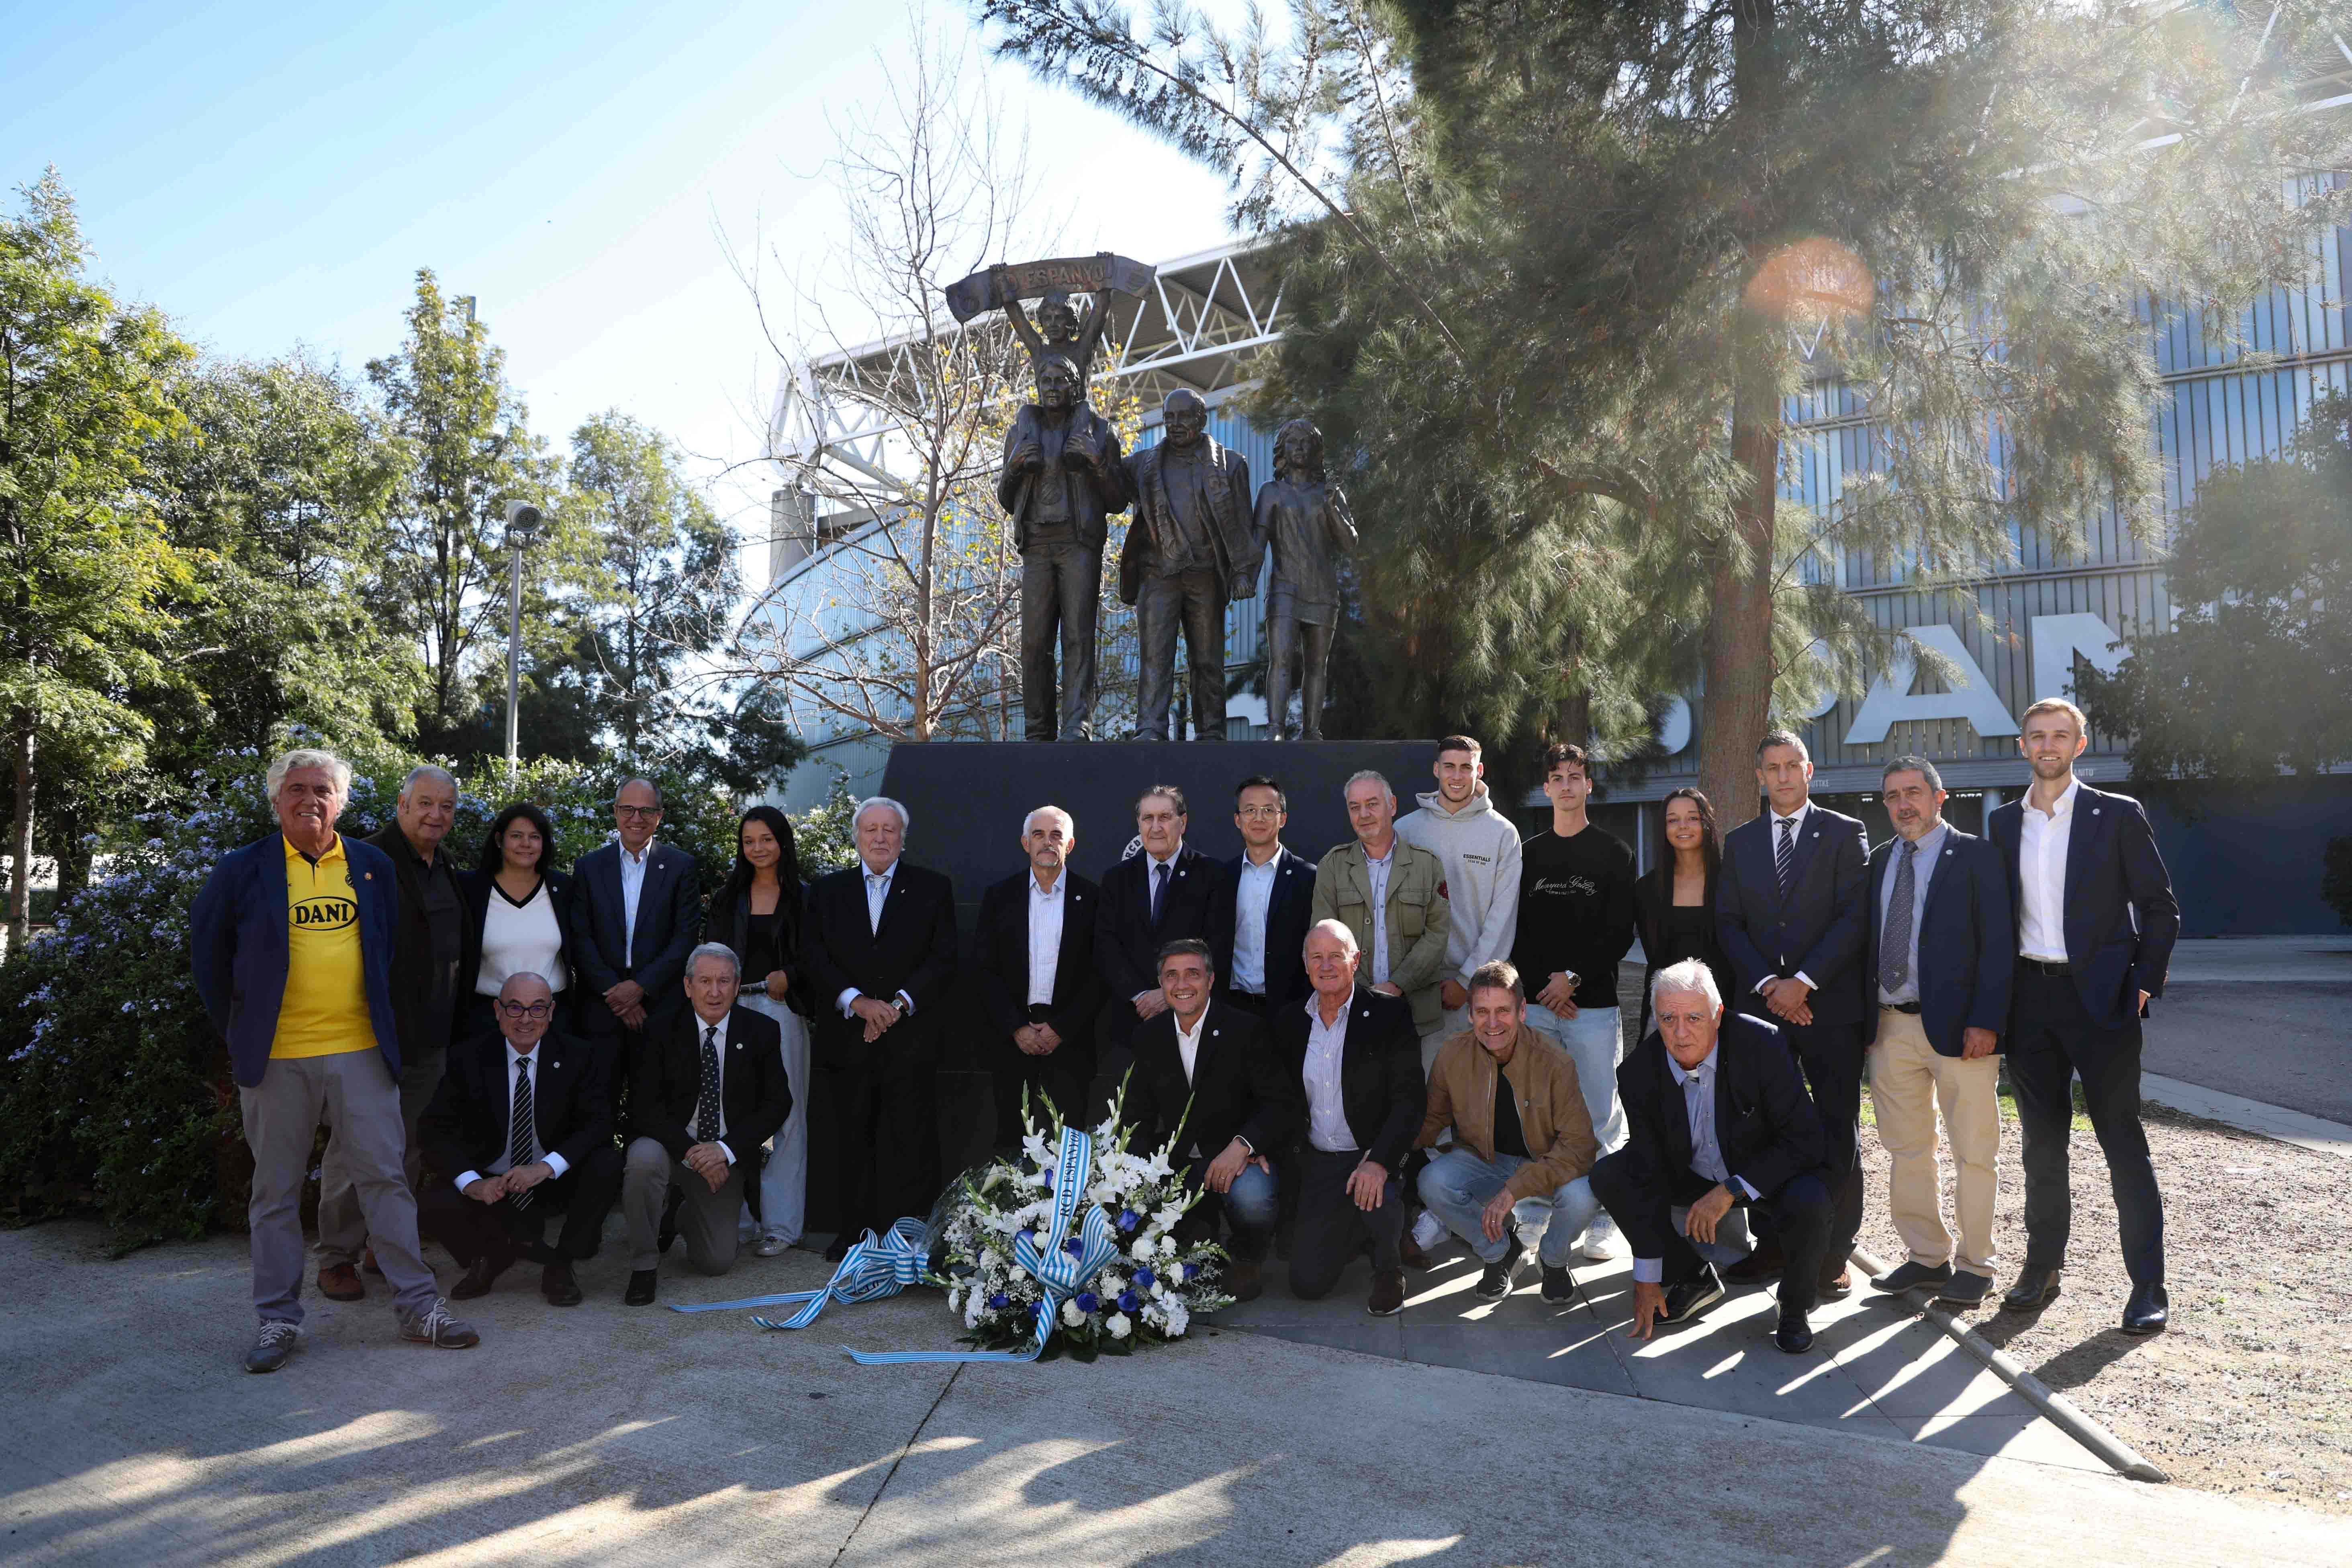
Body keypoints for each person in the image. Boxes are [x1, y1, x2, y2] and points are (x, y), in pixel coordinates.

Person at [190, 747, 481, 1373]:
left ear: (341, 801)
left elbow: (390, 958)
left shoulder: (371, 866)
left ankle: (417, 1306)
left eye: (323, 789)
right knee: (274, 1193)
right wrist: (245, 1033)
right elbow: (210, 963)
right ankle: (276, 1318)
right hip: (278, 1060)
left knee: (385, 1179)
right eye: (296, 788)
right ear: (276, 799)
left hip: (360, 1054)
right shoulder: (242, 870)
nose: (309, 799)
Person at [1987, 699, 2181, 1333]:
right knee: (2040, 1148)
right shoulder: (1998, 824)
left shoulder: (2116, 815)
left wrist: (2143, 983)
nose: (2047, 745)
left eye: (2059, 735)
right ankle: (2041, 1268)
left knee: (2121, 1142)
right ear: (2022, 745)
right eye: (2036, 735)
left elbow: (2159, 907)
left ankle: (2147, 1286)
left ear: (2079, 742)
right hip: (2029, 1003)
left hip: (2101, 1001)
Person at [1589, 960, 1834, 1354]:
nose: (1680, 1033)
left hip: (1756, 1169)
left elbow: (1804, 1139)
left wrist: (1730, 1190)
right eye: (1668, 1019)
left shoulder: (1763, 1044)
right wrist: (1647, 1277)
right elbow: (1648, 1168)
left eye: (1693, 1018)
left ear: (1718, 1016)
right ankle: (1690, 1273)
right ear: (1655, 1017)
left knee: (1811, 1198)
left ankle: (1793, 1308)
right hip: (1689, 1169)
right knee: (1611, 1174)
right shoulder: (1637, 1073)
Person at [1713, 729, 1872, 1300]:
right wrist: (1768, 985)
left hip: (1827, 1008)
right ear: (1759, 775)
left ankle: (1832, 1251)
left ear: (1808, 771)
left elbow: (1853, 918)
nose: (1781, 775)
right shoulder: (1741, 841)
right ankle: (1773, 1242)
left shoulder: (1844, 832)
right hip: (1760, 1009)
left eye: (1791, 765)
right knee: (1759, 1126)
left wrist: (1801, 984)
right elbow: (1728, 922)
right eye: (1771, 767)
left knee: (1836, 1128)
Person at [1862, 756, 2015, 1309]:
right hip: (1889, 1027)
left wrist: (1988, 1021)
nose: (1902, 803)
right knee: (1906, 1148)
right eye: (1891, 795)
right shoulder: (1878, 861)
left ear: (1938, 796)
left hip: (1961, 1029)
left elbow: (1997, 943)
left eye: (1912, 792)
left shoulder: (1975, 855)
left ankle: (1977, 1264)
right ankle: (1926, 1257)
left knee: (1974, 1151)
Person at [315, 765, 469, 1303]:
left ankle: (385, 1246)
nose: (435, 814)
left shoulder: (446, 866)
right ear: (401, 804)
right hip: (371, 1035)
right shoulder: (364, 860)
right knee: (349, 1148)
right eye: (425, 803)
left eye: (446, 806)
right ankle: (335, 1256)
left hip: (430, 1037)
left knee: (405, 1145)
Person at [801, 797, 959, 1261]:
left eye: (889, 830)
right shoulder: (827, 892)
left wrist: (895, 1007)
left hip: (909, 1038)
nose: (880, 838)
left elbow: (943, 958)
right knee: (851, 1137)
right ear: (856, 836)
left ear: (902, 837)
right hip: (847, 1037)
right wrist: (859, 1003)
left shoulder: (932, 888)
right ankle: (852, 1235)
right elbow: (814, 957)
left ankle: (910, 1238)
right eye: (870, 829)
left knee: (912, 1140)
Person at [416, 972, 622, 1306]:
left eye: (537, 1008)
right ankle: (491, 1254)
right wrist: (473, 1183)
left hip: (550, 1180)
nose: (526, 1019)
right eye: (515, 1008)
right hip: (492, 1185)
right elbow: (432, 1128)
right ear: (497, 1010)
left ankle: (561, 1261)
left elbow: (599, 1123)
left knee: (608, 1163)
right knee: (432, 1200)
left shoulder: (579, 1055)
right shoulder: (468, 1057)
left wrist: (544, 1167)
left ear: (552, 1012)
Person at [1507, 742, 1636, 1264]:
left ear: (1587, 785)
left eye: (1574, 775)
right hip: (1539, 1004)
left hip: (1594, 1007)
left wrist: (1573, 979)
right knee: (1538, 1111)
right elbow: (1518, 932)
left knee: (1601, 1113)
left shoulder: (1613, 852)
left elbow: (1618, 930)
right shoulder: (1528, 854)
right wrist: (1546, 985)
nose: (1565, 784)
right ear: (1545, 788)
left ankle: (1604, 1215)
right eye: (1556, 776)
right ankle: (1538, 1206)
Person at [1414, 961, 1603, 1305]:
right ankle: (1501, 1251)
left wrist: (1514, 1191)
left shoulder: (1555, 1062)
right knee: (1432, 1180)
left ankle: (1554, 1258)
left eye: (1503, 1010)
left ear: (1522, 1012)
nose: (1492, 1023)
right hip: (1485, 1160)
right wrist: (1382, 1155)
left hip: (1545, 1166)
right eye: (1482, 1011)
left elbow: (1579, 1148)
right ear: (1469, 1015)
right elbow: (1431, 1120)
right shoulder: (1452, 1053)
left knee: (1584, 1194)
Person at [1122, 939, 1298, 1302]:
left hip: (1238, 1158)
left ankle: (1248, 1254)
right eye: (1171, 975)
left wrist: (1245, 1144)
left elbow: (1282, 1104)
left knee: (1253, 1198)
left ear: (1211, 980)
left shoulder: (1245, 1029)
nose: (1182, 984)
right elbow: (1136, 1117)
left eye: (1192, 974)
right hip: (1180, 1159)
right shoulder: (1147, 1037)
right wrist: (1136, 1178)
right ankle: (1199, 1237)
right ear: (1161, 983)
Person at [620, 945, 794, 1304]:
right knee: (641, 1161)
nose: (714, 991)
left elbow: (778, 1104)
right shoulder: (659, 1028)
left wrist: (725, 1151)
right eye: (705, 981)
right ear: (687, 986)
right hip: (670, 1146)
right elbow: (643, 1106)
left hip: (723, 1155)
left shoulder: (762, 1030)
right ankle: (644, 1265)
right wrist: (692, 1152)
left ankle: (679, 1215)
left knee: (716, 1262)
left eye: (723, 981)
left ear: (737, 985)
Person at [1270, 921, 1424, 1315]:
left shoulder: (1389, 1014)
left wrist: (1379, 1161)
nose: (1325, 965)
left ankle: (1387, 1267)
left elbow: (1409, 1101)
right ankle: (1355, 1229)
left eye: (1335, 956)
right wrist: (1258, 1146)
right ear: (1305, 965)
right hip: (1318, 1162)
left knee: (1380, 1190)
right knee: (1306, 1284)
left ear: (1355, 960)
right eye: (1316, 957)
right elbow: (1276, 1099)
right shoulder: (1288, 1022)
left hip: (1368, 1155)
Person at [701, 805, 815, 1257]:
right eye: (749, 841)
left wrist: (790, 975)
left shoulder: (805, 897)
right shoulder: (728, 898)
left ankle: (781, 1227)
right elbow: (710, 954)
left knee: (788, 1117)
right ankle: (738, 1220)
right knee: (732, 1113)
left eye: (766, 839)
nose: (758, 848)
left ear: (782, 842)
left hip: (782, 1009)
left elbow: (817, 956)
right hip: (730, 1010)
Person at [997, 351, 1127, 741]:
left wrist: (1098, 463)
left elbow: (1119, 500)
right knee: (1034, 644)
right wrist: (1013, 466)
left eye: (1060, 381)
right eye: (1045, 381)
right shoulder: (1019, 433)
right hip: (1036, 546)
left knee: (1077, 638)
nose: (1052, 388)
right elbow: (1005, 499)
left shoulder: (1100, 431)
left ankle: (1076, 727)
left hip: (1078, 545)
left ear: (1076, 387)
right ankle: (1038, 731)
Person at [1116, 387, 1259, 741]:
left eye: (1183, 417)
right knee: (1155, 658)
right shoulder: (1140, 465)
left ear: (1201, 419)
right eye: (1169, 418)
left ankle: (1211, 730)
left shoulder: (1231, 465)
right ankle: (1150, 727)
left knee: (1208, 661)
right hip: (1157, 574)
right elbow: (1109, 492)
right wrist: (1097, 450)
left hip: (1205, 576)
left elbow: (1242, 527)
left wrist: (1242, 572)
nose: (1175, 424)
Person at [975, 805, 1103, 1150]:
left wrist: (1062, 1027)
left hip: (1070, 1039)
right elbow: (985, 970)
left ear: (1070, 844)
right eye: (1039, 835)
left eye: (1056, 835)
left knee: (1071, 1140)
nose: (1048, 842)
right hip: (1013, 1038)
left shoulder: (1093, 899)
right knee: (1009, 1140)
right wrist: (1016, 1026)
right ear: (1025, 843)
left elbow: (1099, 972)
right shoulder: (998, 897)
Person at [1396, 735, 1522, 1062]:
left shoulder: (1502, 833)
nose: (1456, 775)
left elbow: (1503, 916)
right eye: (1449, 767)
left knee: (1478, 1097)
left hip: (1480, 987)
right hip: (1418, 986)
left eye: (1465, 767)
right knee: (1427, 1094)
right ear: (1436, 769)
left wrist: (1467, 980)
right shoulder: (1405, 830)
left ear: (1479, 770)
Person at [1093, 785, 1234, 1072]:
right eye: (1148, 818)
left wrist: (1167, 994)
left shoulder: (1213, 874)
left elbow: (1217, 944)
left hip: (1193, 1021)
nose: (1155, 827)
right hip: (1131, 1023)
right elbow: (1105, 946)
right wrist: (1140, 996)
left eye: (1165, 817)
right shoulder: (1116, 879)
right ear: (1138, 824)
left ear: (1182, 822)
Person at [1310, 770, 1452, 1035]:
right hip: (1350, 1014)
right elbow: (1322, 938)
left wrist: (1397, 985)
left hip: (1416, 1016)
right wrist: (1364, 993)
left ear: (1393, 805)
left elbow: (1437, 935)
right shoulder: (1332, 866)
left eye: (1372, 804)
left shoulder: (1427, 866)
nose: (1363, 814)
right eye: (1355, 807)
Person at [570, 779, 703, 1047]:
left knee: (653, 1090)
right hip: (600, 1006)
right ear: (616, 811)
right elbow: (580, 937)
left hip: (660, 1007)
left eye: (646, 811)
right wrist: (618, 995)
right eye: (628, 809)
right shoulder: (588, 867)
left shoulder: (682, 867)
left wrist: (640, 987)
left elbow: (685, 937)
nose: (636, 818)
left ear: (660, 815)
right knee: (598, 1089)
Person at [1254, 417, 1357, 739]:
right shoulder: (1271, 492)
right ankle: (1276, 729)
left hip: (1322, 589)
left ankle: (1312, 730)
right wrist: (1242, 578)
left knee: (1317, 666)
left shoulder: (1328, 492)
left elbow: (1350, 542)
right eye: (1293, 442)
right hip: (1285, 586)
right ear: (1282, 449)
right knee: (1281, 660)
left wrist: (1332, 509)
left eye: (1306, 442)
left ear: (1315, 451)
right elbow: (1256, 543)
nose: (1299, 447)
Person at [459, 803, 578, 1043]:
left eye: (535, 837)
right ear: (499, 840)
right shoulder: (470, 889)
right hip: (487, 1017)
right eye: (517, 836)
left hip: (552, 1016)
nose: (526, 844)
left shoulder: (563, 888)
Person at [1216, 776, 1317, 1019]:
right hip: (1232, 1007)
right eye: (1250, 810)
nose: (1259, 818)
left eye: (1268, 810)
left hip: (1290, 1009)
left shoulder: (1307, 877)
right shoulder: (1221, 877)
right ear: (1237, 820)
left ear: (1283, 818)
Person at [1634, 787, 1731, 1037]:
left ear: (1706, 823)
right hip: (1666, 1011)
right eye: (1673, 820)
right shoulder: (1647, 888)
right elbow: (1652, 952)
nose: (1683, 826)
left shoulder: (1731, 883)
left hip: (1723, 1007)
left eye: (1692, 818)